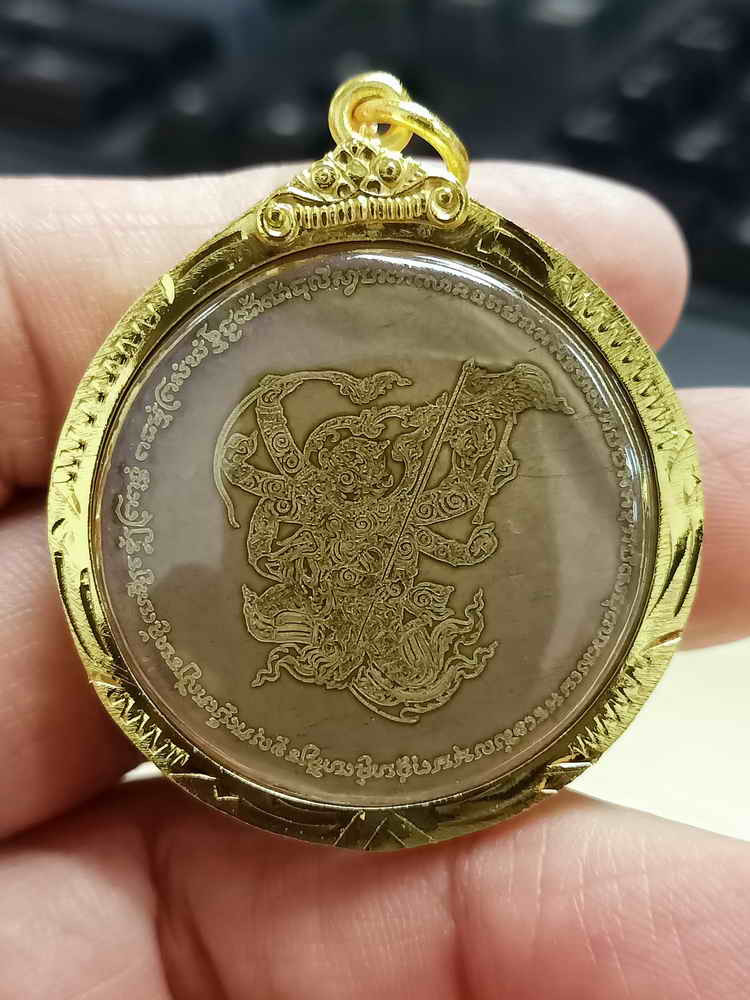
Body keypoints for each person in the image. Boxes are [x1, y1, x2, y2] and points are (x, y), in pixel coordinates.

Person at [0, 161, 747, 997]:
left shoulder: (365, 519)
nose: (429, 615)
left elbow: (435, 529)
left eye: (417, 636)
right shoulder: (311, 533)